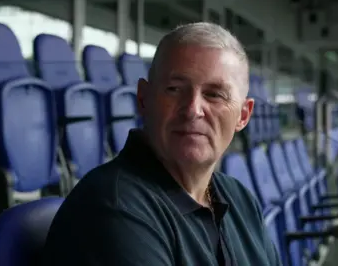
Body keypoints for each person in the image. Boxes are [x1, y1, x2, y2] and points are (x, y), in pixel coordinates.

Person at [41, 22, 282, 266]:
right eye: (174, 89)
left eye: (214, 94)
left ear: (243, 116)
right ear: (143, 99)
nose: (193, 110)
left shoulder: (240, 198)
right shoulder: (115, 206)